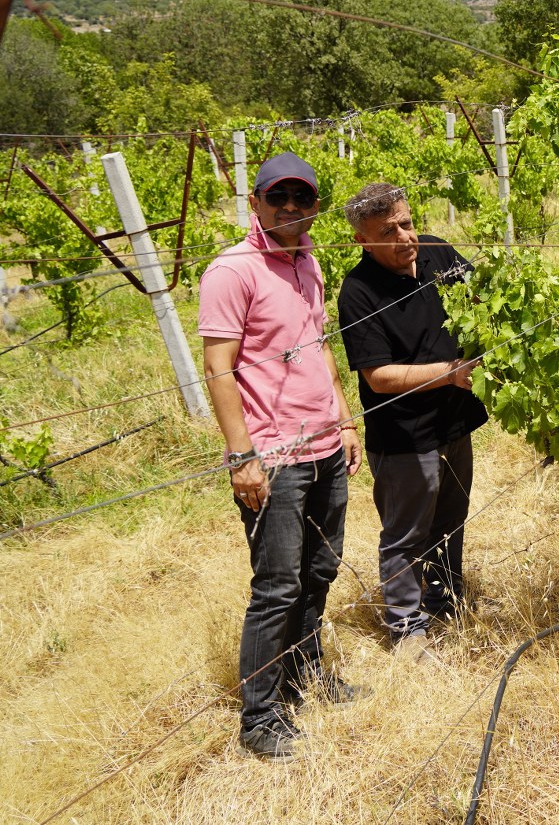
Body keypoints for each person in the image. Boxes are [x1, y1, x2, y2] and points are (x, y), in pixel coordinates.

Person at [197, 152, 364, 760]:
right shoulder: (230, 271)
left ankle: (306, 675)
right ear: (256, 203)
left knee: (319, 571)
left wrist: (343, 418)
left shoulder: (308, 260)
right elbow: (218, 370)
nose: (290, 208)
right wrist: (242, 456)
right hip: (274, 454)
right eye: (278, 198)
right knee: (276, 585)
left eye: (302, 198)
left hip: (323, 442)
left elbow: (318, 347)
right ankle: (259, 717)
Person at [337, 182, 488, 660]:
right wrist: (452, 373)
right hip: (403, 435)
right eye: (389, 231)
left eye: (406, 222)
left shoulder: (441, 254)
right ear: (362, 241)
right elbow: (379, 377)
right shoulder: (358, 292)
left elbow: (485, 305)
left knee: (451, 518)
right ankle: (407, 629)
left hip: (453, 421)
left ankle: (446, 603)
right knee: (406, 534)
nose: (405, 237)